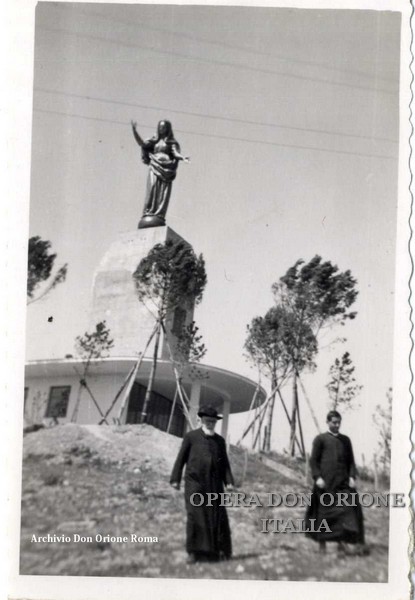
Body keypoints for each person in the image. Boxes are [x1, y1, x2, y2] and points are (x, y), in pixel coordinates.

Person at [170, 405, 234, 563]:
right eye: (207, 421)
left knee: (216, 516)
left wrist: (229, 482)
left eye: (213, 421)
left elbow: (224, 463)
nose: (210, 424)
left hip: (214, 484)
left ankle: (217, 552)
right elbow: (181, 458)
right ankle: (194, 552)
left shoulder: (220, 441)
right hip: (195, 483)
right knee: (195, 515)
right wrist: (175, 479)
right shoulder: (191, 437)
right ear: (201, 420)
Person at [305, 410, 369, 556]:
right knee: (323, 514)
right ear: (327, 422)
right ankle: (322, 545)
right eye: (334, 422)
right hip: (325, 484)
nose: (337, 425)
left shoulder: (346, 440)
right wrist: (317, 477)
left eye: (339, 422)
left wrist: (352, 476)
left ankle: (342, 544)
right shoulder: (320, 439)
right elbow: (313, 460)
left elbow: (351, 461)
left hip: (343, 483)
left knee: (346, 511)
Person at [131, 120, 189, 224]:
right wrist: (134, 131)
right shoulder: (154, 141)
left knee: (163, 192)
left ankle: (158, 214)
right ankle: (149, 212)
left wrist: (182, 157)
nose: (162, 129)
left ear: (168, 129)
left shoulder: (171, 142)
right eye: (160, 127)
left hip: (167, 170)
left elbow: (175, 153)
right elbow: (142, 143)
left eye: (164, 127)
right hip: (154, 166)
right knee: (152, 189)